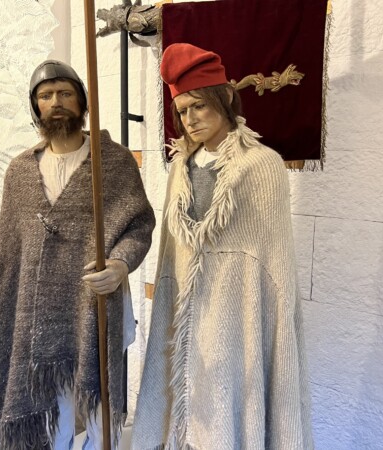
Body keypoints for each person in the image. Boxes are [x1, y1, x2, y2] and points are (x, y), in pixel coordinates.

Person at [132, 43, 313, 449]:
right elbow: (172, 254)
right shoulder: (181, 166)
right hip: (185, 312)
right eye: (182, 111)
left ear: (225, 98)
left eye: (199, 105)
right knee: (184, 413)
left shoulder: (261, 164)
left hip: (238, 313)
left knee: (226, 412)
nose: (190, 119)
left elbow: (274, 261)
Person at [0, 60, 155, 450]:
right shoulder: (20, 171)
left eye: (65, 93)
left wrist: (120, 264)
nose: (56, 102)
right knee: (52, 411)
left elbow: (139, 224)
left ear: (82, 101)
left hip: (98, 304)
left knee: (100, 413)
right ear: (35, 106)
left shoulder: (113, 161)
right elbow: (10, 253)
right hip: (40, 314)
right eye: (45, 95)